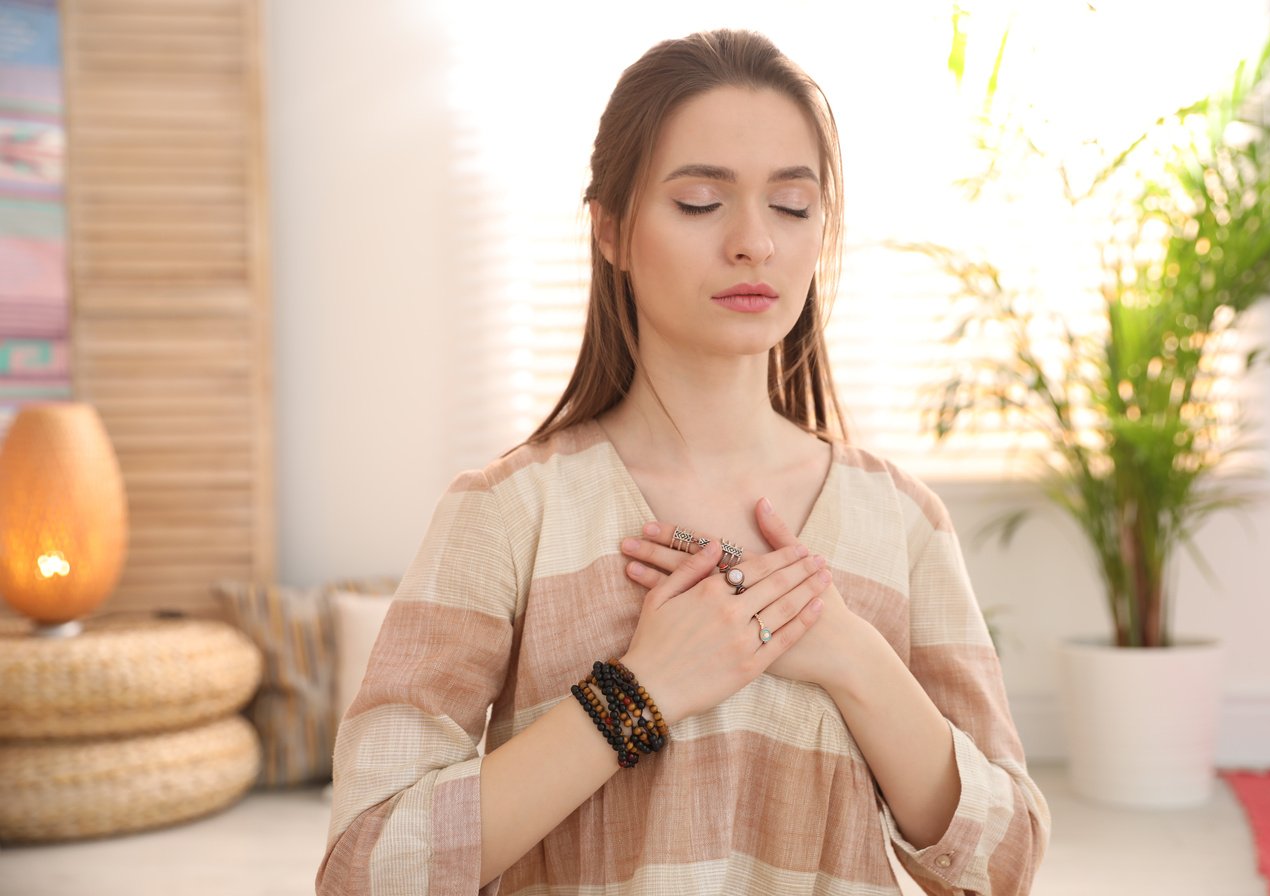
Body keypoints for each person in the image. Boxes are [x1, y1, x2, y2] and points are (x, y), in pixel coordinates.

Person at [317, 28, 1049, 896]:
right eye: (702, 201)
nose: (752, 243)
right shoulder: (506, 514)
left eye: (792, 205)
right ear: (613, 231)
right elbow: (366, 868)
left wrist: (851, 655)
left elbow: (1006, 863)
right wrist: (636, 694)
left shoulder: (903, 522)